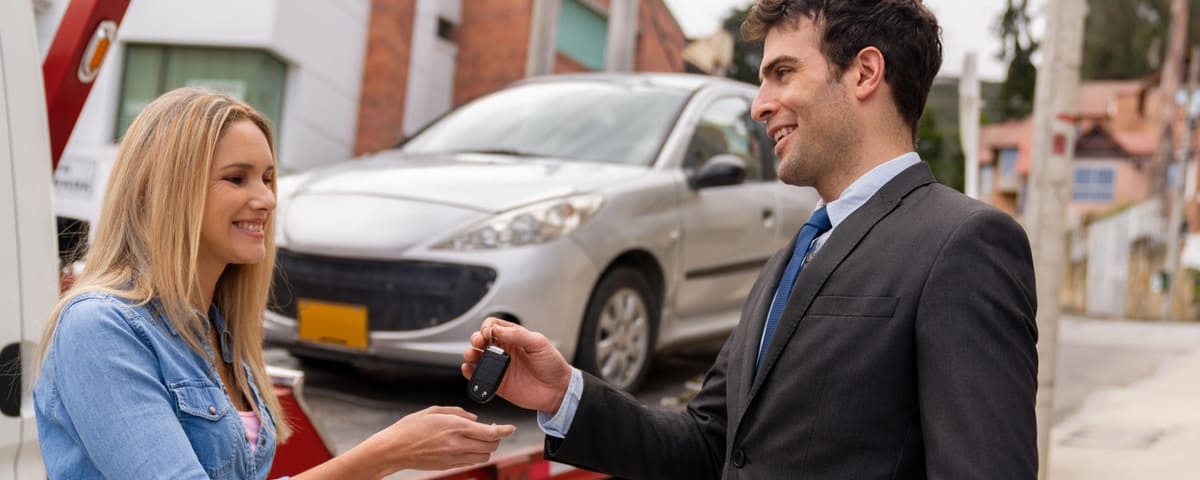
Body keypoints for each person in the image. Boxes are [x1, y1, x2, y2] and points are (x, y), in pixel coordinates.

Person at [463, 0, 1038, 478]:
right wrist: (564, 395)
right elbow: (712, 441)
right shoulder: (793, 255)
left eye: (782, 73)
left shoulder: (967, 244)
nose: (759, 104)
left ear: (865, 72)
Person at [35, 87, 515, 480]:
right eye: (237, 178)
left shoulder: (219, 330)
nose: (265, 198)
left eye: (267, 178)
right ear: (166, 191)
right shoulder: (100, 328)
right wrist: (383, 454)